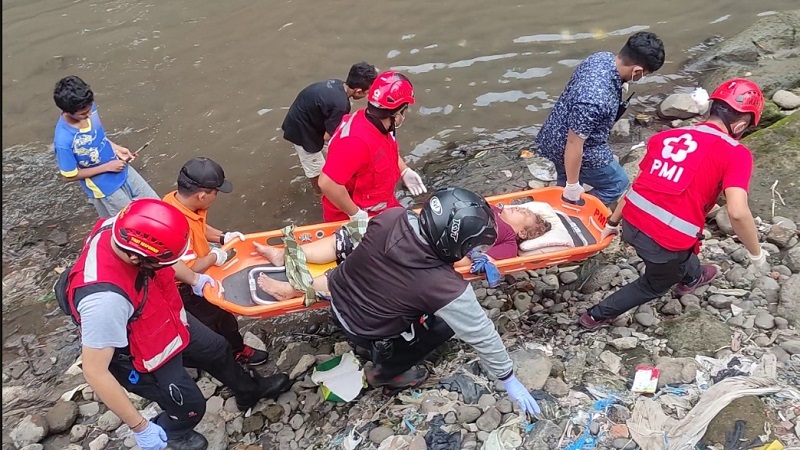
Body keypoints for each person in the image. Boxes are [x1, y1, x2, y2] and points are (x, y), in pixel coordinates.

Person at [65, 199, 291, 450]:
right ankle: (173, 433)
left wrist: (195, 278)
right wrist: (140, 427)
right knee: (191, 407)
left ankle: (249, 391)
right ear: (136, 259)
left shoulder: (127, 228)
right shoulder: (105, 301)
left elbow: (166, 259)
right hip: (141, 354)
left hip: (164, 317)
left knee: (216, 348)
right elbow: (95, 371)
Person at [580, 78, 769, 330]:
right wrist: (756, 253)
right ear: (741, 123)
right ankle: (595, 315)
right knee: (655, 284)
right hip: (666, 241)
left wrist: (613, 222)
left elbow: (638, 184)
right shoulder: (736, 153)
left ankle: (692, 276)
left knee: (682, 254)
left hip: (632, 224)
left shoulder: (667, 137)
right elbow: (736, 212)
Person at [251, 201, 551, 298]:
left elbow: (484, 259)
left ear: (523, 231)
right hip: (418, 229)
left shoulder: (508, 238)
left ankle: (295, 288)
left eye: (520, 212)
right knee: (347, 239)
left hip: (430, 248)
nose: (512, 207)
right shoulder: (485, 208)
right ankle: (286, 255)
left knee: (358, 269)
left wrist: (477, 255)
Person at [535, 32, 665, 207]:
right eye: (644, 75)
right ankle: (578, 209)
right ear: (637, 71)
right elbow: (574, 144)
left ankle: (562, 205)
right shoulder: (595, 100)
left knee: (565, 182)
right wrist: (573, 186)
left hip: (554, 131)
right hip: (571, 145)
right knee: (617, 183)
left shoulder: (601, 58)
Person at [162, 157, 268, 366]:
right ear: (201, 195)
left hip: (195, 271)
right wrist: (215, 256)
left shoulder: (175, 200)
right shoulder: (174, 224)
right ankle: (235, 353)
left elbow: (200, 227)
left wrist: (223, 237)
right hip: (185, 287)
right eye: (216, 192)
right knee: (219, 319)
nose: (217, 196)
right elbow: (187, 269)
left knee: (218, 319)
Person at [319, 70, 428, 222]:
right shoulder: (355, 142)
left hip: (380, 204)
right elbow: (327, 183)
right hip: (355, 214)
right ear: (396, 114)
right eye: (404, 111)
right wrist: (356, 215)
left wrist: (404, 171)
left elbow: (386, 151)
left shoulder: (379, 124)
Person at [53, 75, 159, 218]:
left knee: (156, 206)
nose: (90, 114)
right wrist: (107, 167)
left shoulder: (88, 107)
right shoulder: (64, 140)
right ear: (67, 112)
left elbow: (98, 136)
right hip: (105, 187)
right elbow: (69, 175)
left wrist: (117, 149)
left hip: (122, 169)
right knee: (132, 220)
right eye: (84, 114)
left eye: (90, 109)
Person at [281, 62, 378, 194]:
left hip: (302, 119)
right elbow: (328, 137)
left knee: (336, 154)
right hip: (302, 132)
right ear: (358, 91)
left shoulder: (337, 84)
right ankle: (321, 194)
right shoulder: (341, 105)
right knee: (316, 168)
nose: (366, 96)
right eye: (367, 93)